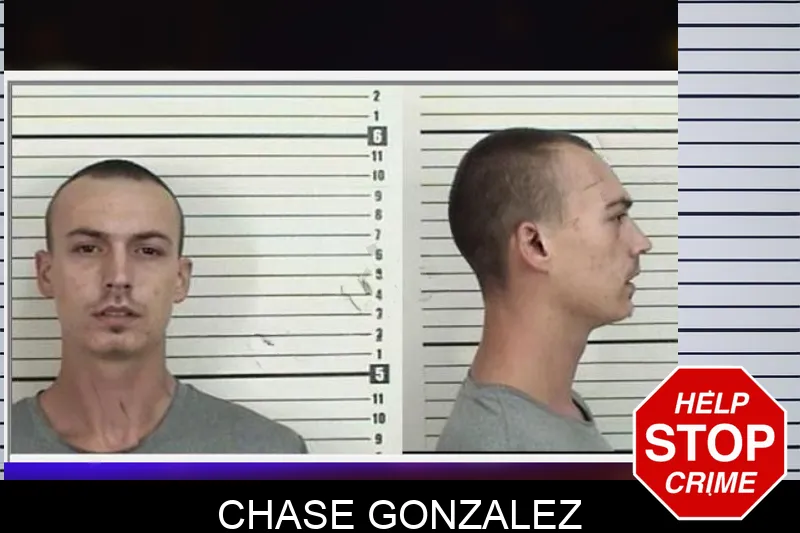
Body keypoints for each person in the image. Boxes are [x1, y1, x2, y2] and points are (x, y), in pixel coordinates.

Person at [10, 159, 308, 454]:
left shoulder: (270, 455)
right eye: (87, 248)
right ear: (46, 273)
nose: (118, 277)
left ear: (180, 279)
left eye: (148, 251)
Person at [436, 128, 652, 453]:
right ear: (535, 244)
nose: (641, 243)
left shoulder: (549, 410)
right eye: (616, 217)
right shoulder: (506, 451)